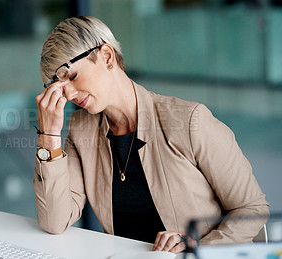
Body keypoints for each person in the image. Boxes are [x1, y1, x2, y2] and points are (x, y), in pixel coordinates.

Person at [33, 15, 269, 253]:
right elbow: (55, 221)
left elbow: (252, 208)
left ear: (106, 56)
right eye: (60, 87)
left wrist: (197, 249)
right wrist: (49, 135)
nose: (70, 94)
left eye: (72, 76)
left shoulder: (189, 120)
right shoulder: (81, 128)